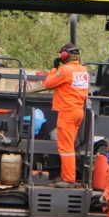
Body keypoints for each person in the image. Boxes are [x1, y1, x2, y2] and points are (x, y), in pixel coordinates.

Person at [42, 42, 89, 185]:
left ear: (65, 55)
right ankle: (65, 176)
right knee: (69, 145)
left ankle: (68, 179)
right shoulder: (83, 71)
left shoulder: (65, 70)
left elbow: (48, 84)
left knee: (65, 147)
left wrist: (54, 69)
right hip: (78, 112)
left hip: (67, 113)